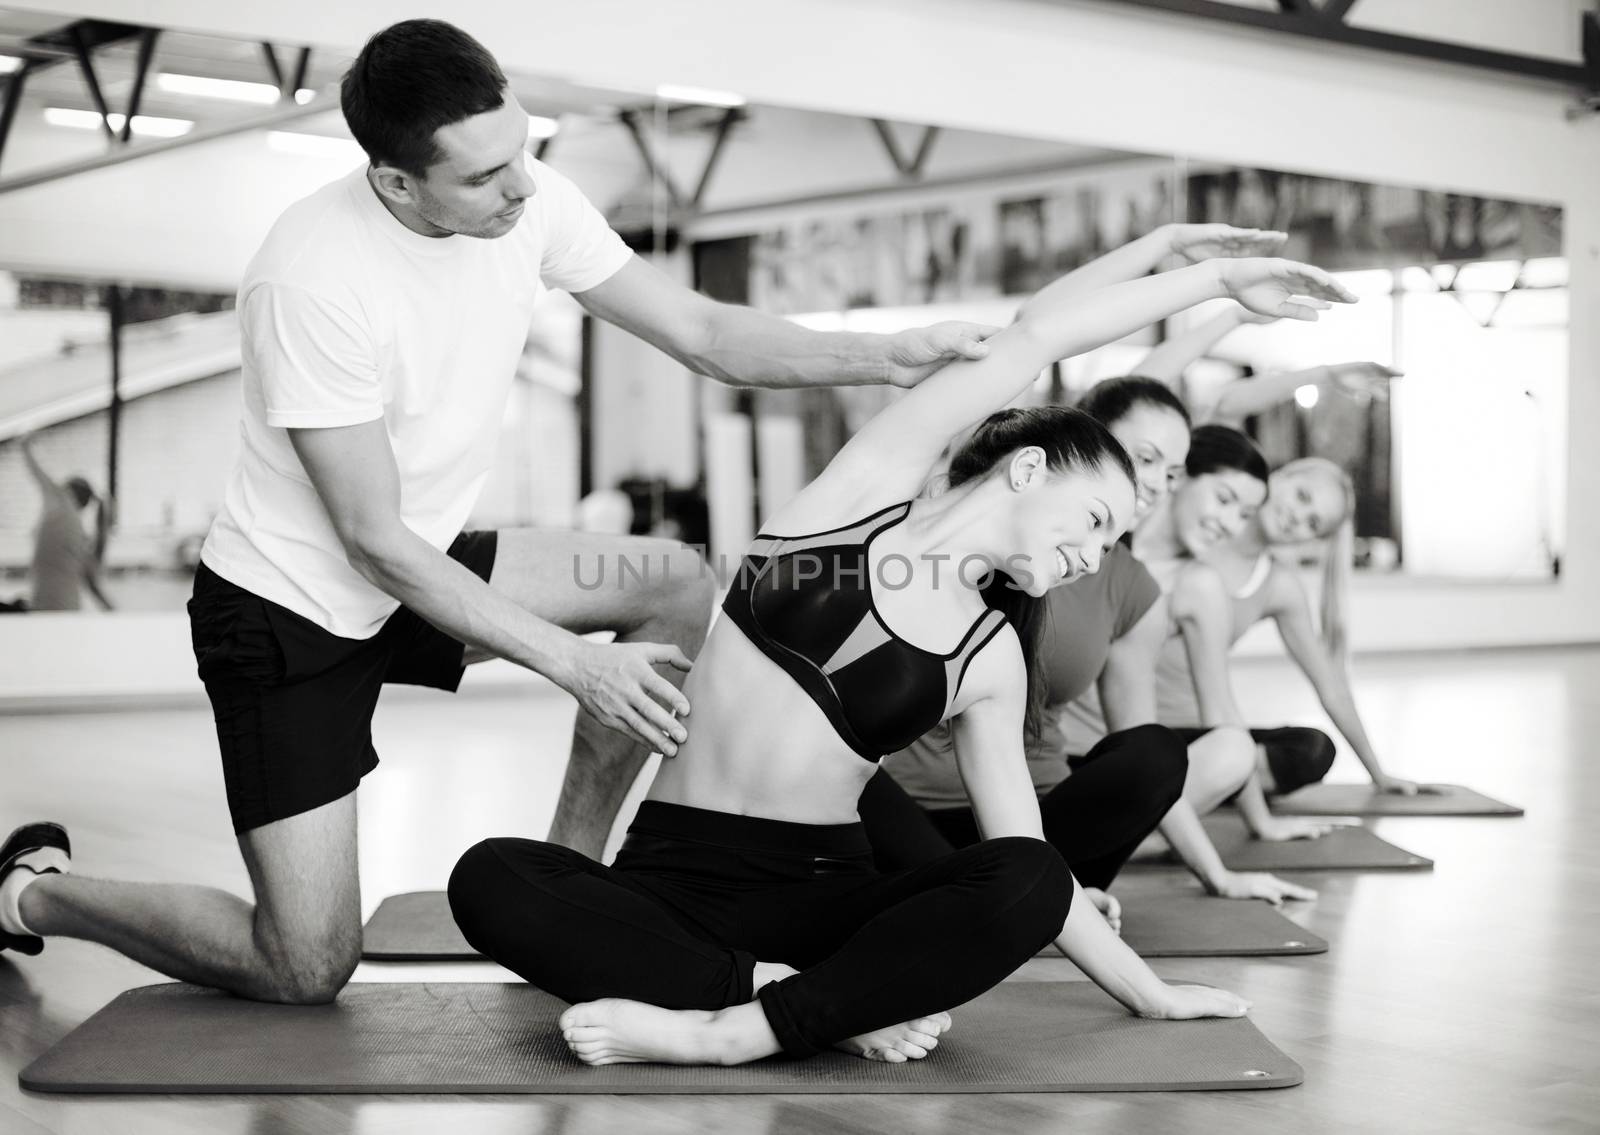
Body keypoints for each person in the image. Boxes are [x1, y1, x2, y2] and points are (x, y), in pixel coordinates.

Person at [0, 20, 1003, 993]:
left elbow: (699, 330)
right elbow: (371, 538)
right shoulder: (310, 280)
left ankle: (567, 888)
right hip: (289, 608)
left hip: (421, 560)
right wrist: (576, 664)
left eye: (518, 154)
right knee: (302, 964)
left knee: (672, 581)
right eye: (481, 177)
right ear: (396, 181)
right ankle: (32, 894)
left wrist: (887, 353)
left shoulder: (531, 199)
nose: (519, 187)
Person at [447, 251, 1355, 1067]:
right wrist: (1216, 284)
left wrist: (1148, 990)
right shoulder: (846, 505)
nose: (1096, 552)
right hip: (671, 873)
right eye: (1095, 521)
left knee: (1034, 879)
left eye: (1116, 538)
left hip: (825, 895)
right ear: (1029, 470)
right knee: (491, 875)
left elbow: (1025, 853)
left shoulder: (990, 652)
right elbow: (1032, 334)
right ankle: (788, 997)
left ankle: (734, 1025)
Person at [865, 378, 1314, 908]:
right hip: (917, 816)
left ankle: (1019, 894)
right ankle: (1001, 899)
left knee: (1154, 752)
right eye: (1143, 457)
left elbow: (1142, 752)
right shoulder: (978, 541)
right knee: (852, 772)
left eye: (1171, 473)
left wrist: (1218, 874)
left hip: (1042, 820)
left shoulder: (1130, 585)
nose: (1153, 482)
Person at [17, 435, 114, 612]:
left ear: (69, 489)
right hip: (68, 610)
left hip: (43, 607)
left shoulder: (61, 499)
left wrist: (25, 445)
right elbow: (92, 583)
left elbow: (36, 471)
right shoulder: (80, 538)